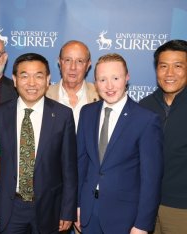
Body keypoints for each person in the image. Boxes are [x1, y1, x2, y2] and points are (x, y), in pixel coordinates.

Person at [0, 53, 78, 234]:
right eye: (24, 76)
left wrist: (67, 210)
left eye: (38, 76)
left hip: (49, 208)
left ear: (48, 79)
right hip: (11, 208)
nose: (31, 83)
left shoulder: (63, 116)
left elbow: (69, 168)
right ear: (14, 79)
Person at [77, 53, 163, 234]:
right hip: (88, 213)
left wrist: (142, 224)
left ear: (127, 78)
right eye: (102, 79)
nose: (109, 86)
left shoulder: (145, 120)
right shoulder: (87, 113)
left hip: (125, 218)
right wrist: (77, 205)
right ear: (95, 82)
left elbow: (151, 179)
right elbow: (81, 163)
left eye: (115, 78)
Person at [140, 39, 187, 234]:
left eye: (178, 66)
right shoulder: (144, 107)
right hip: (144, 207)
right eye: (163, 66)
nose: (169, 74)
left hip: (181, 209)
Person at [46, 40, 99, 129]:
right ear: (59, 62)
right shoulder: (44, 94)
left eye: (79, 61)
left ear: (88, 65)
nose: (73, 67)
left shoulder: (100, 95)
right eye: (68, 60)